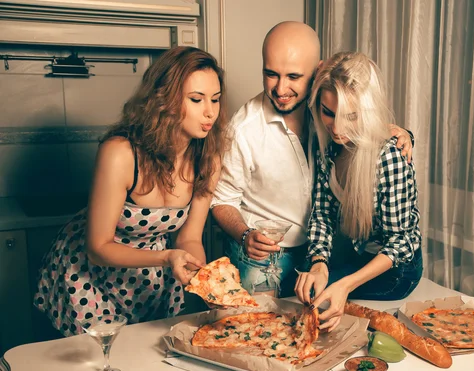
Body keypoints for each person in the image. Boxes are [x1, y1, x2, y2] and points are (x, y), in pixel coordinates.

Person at [33, 46, 228, 337]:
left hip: (150, 280)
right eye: (196, 99)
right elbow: (98, 247)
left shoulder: (207, 158)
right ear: (166, 99)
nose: (210, 111)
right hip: (89, 275)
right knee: (94, 366)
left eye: (215, 99)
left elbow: (188, 237)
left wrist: (199, 273)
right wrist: (165, 258)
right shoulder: (121, 153)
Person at [210, 21, 414, 298]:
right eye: (271, 74)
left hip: (321, 253)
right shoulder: (244, 129)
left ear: (317, 72)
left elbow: (359, 117)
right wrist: (245, 235)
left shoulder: (325, 108)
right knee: (258, 333)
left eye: (293, 76)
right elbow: (222, 199)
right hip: (263, 257)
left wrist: (400, 134)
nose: (281, 89)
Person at [295, 51, 423, 332]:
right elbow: (323, 214)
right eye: (328, 113)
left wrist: (345, 284)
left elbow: (400, 243)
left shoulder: (389, 156)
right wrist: (319, 263)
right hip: (358, 257)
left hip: (396, 270)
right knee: (303, 286)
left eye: (350, 116)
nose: (337, 128)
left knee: (314, 301)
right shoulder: (328, 145)